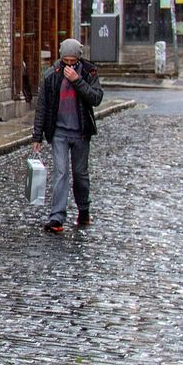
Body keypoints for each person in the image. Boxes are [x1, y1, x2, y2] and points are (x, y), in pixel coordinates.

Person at [32, 37, 104, 233]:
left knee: (80, 175)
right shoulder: (51, 75)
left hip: (81, 133)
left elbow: (96, 98)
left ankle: (83, 210)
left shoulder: (89, 72)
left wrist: (77, 80)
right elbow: (42, 107)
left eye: (73, 61)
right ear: (62, 58)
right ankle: (57, 217)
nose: (70, 65)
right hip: (59, 133)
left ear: (79, 59)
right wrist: (37, 136)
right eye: (67, 61)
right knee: (61, 173)